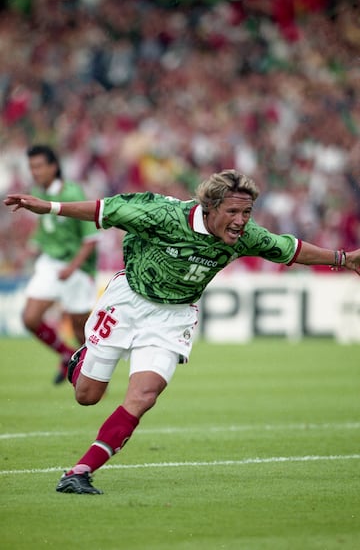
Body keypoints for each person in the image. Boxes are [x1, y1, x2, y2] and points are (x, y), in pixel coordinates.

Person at [4, 169, 360, 494]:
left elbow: (291, 249)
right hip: (128, 300)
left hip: (173, 318)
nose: (241, 222)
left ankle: (80, 471)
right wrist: (48, 207)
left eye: (247, 213)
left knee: (144, 395)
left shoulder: (245, 236)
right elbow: (103, 210)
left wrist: (343, 259)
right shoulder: (160, 213)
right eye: (233, 213)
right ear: (209, 207)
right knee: (87, 396)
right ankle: (83, 358)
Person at [19, 144, 99, 384]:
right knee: (30, 318)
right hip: (51, 264)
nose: (35, 172)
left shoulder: (73, 194)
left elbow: (91, 238)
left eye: (39, 166)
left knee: (80, 330)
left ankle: (93, 378)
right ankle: (66, 355)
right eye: (31, 167)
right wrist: (32, 246)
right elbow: (45, 230)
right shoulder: (37, 191)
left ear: (54, 167)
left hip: (77, 269)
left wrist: (73, 267)